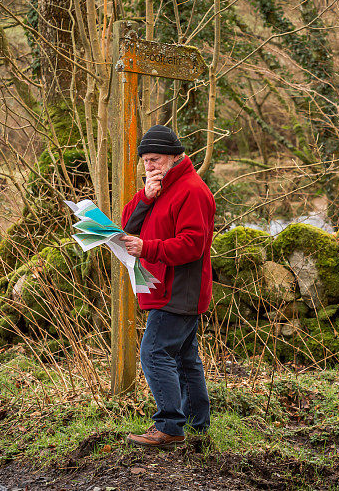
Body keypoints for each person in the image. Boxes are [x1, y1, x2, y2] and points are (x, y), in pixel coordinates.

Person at [120, 124, 215, 449]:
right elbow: (126, 225)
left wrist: (149, 248)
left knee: (154, 351)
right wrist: (145, 197)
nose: (150, 166)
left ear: (175, 157)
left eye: (156, 159)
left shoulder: (192, 190)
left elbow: (193, 244)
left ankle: (169, 426)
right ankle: (197, 424)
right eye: (145, 160)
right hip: (163, 288)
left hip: (179, 291)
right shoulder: (158, 189)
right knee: (186, 359)